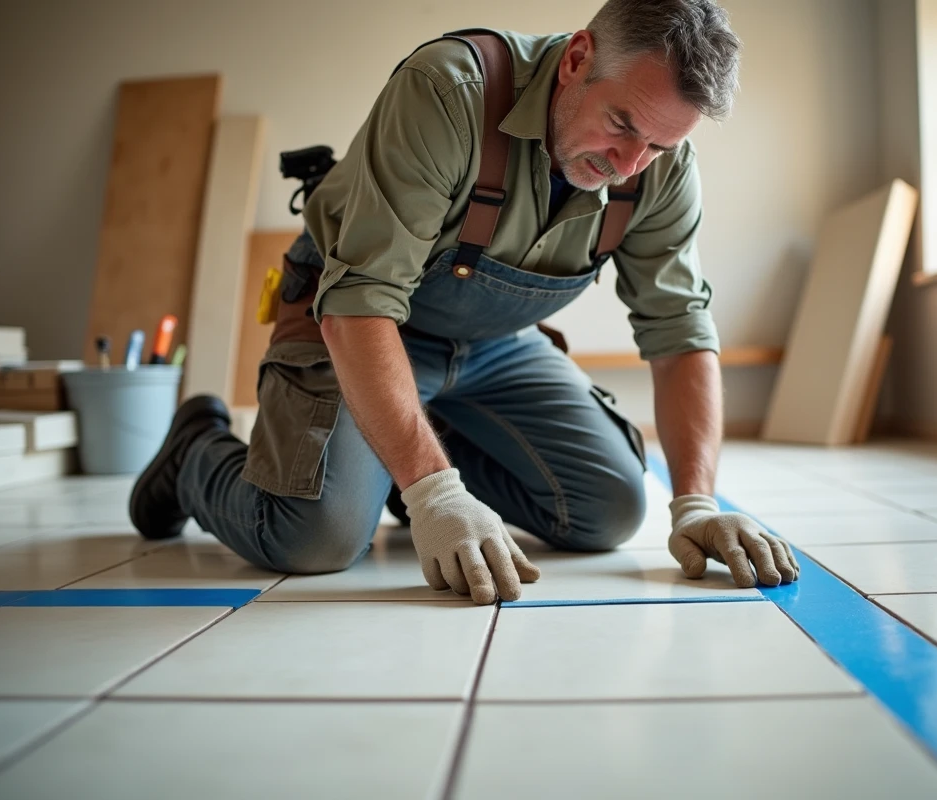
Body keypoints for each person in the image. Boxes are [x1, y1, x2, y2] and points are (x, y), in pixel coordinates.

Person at [129, 0, 800, 606]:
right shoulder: (448, 93)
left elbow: (679, 331)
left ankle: (392, 465)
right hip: (359, 327)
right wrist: (435, 494)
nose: (628, 165)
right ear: (575, 60)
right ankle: (195, 453)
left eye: (658, 145)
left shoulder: (661, 168)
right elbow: (360, 302)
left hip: (493, 346)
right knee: (315, 538)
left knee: (609, 511)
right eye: (621, 124)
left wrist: (694, 504)